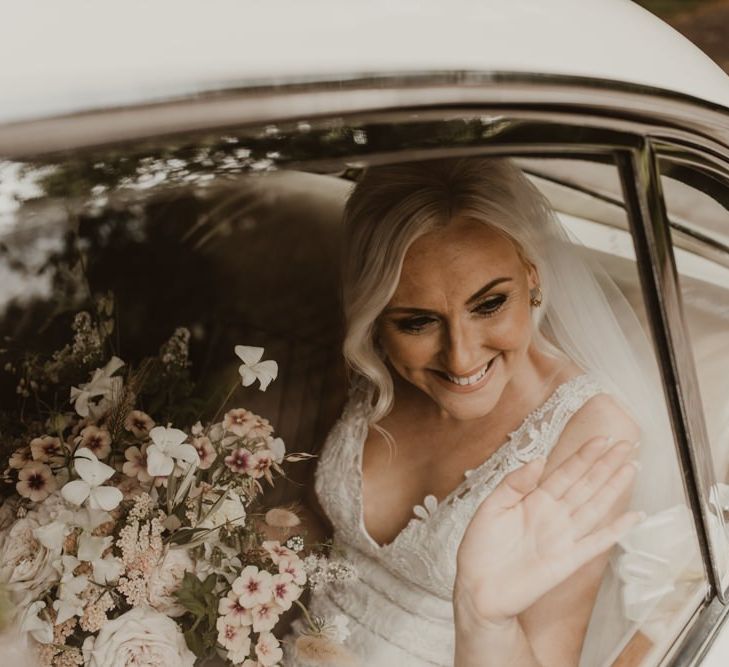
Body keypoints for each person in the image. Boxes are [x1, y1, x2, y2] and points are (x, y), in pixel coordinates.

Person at [287, 157, 679, 667]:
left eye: (489, 304)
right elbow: (328, 540)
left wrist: (486, 618)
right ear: (377, 320)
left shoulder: (593, 431)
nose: (462, 357)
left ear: (532, 280)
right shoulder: (378, 366)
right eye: (417, 322)